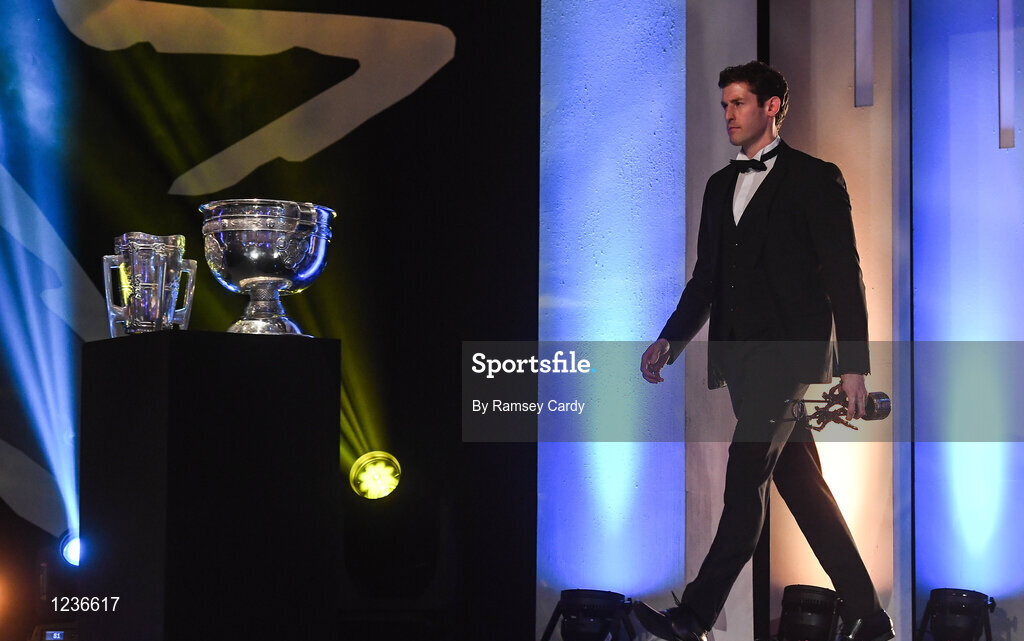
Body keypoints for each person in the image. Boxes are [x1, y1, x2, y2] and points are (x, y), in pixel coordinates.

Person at [633, 61, 893, 641]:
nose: (728, 114)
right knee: (803, 488)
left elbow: (844, 277)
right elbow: (707, 278)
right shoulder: (719, 185)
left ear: (772, 106)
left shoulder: (814, 178)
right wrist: (669, 339)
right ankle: (871, 619)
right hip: (741, 362)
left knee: (744, 476)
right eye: (724, 104)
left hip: (790, 358)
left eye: (740, 103)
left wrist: (853, 365)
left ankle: (694, 616)